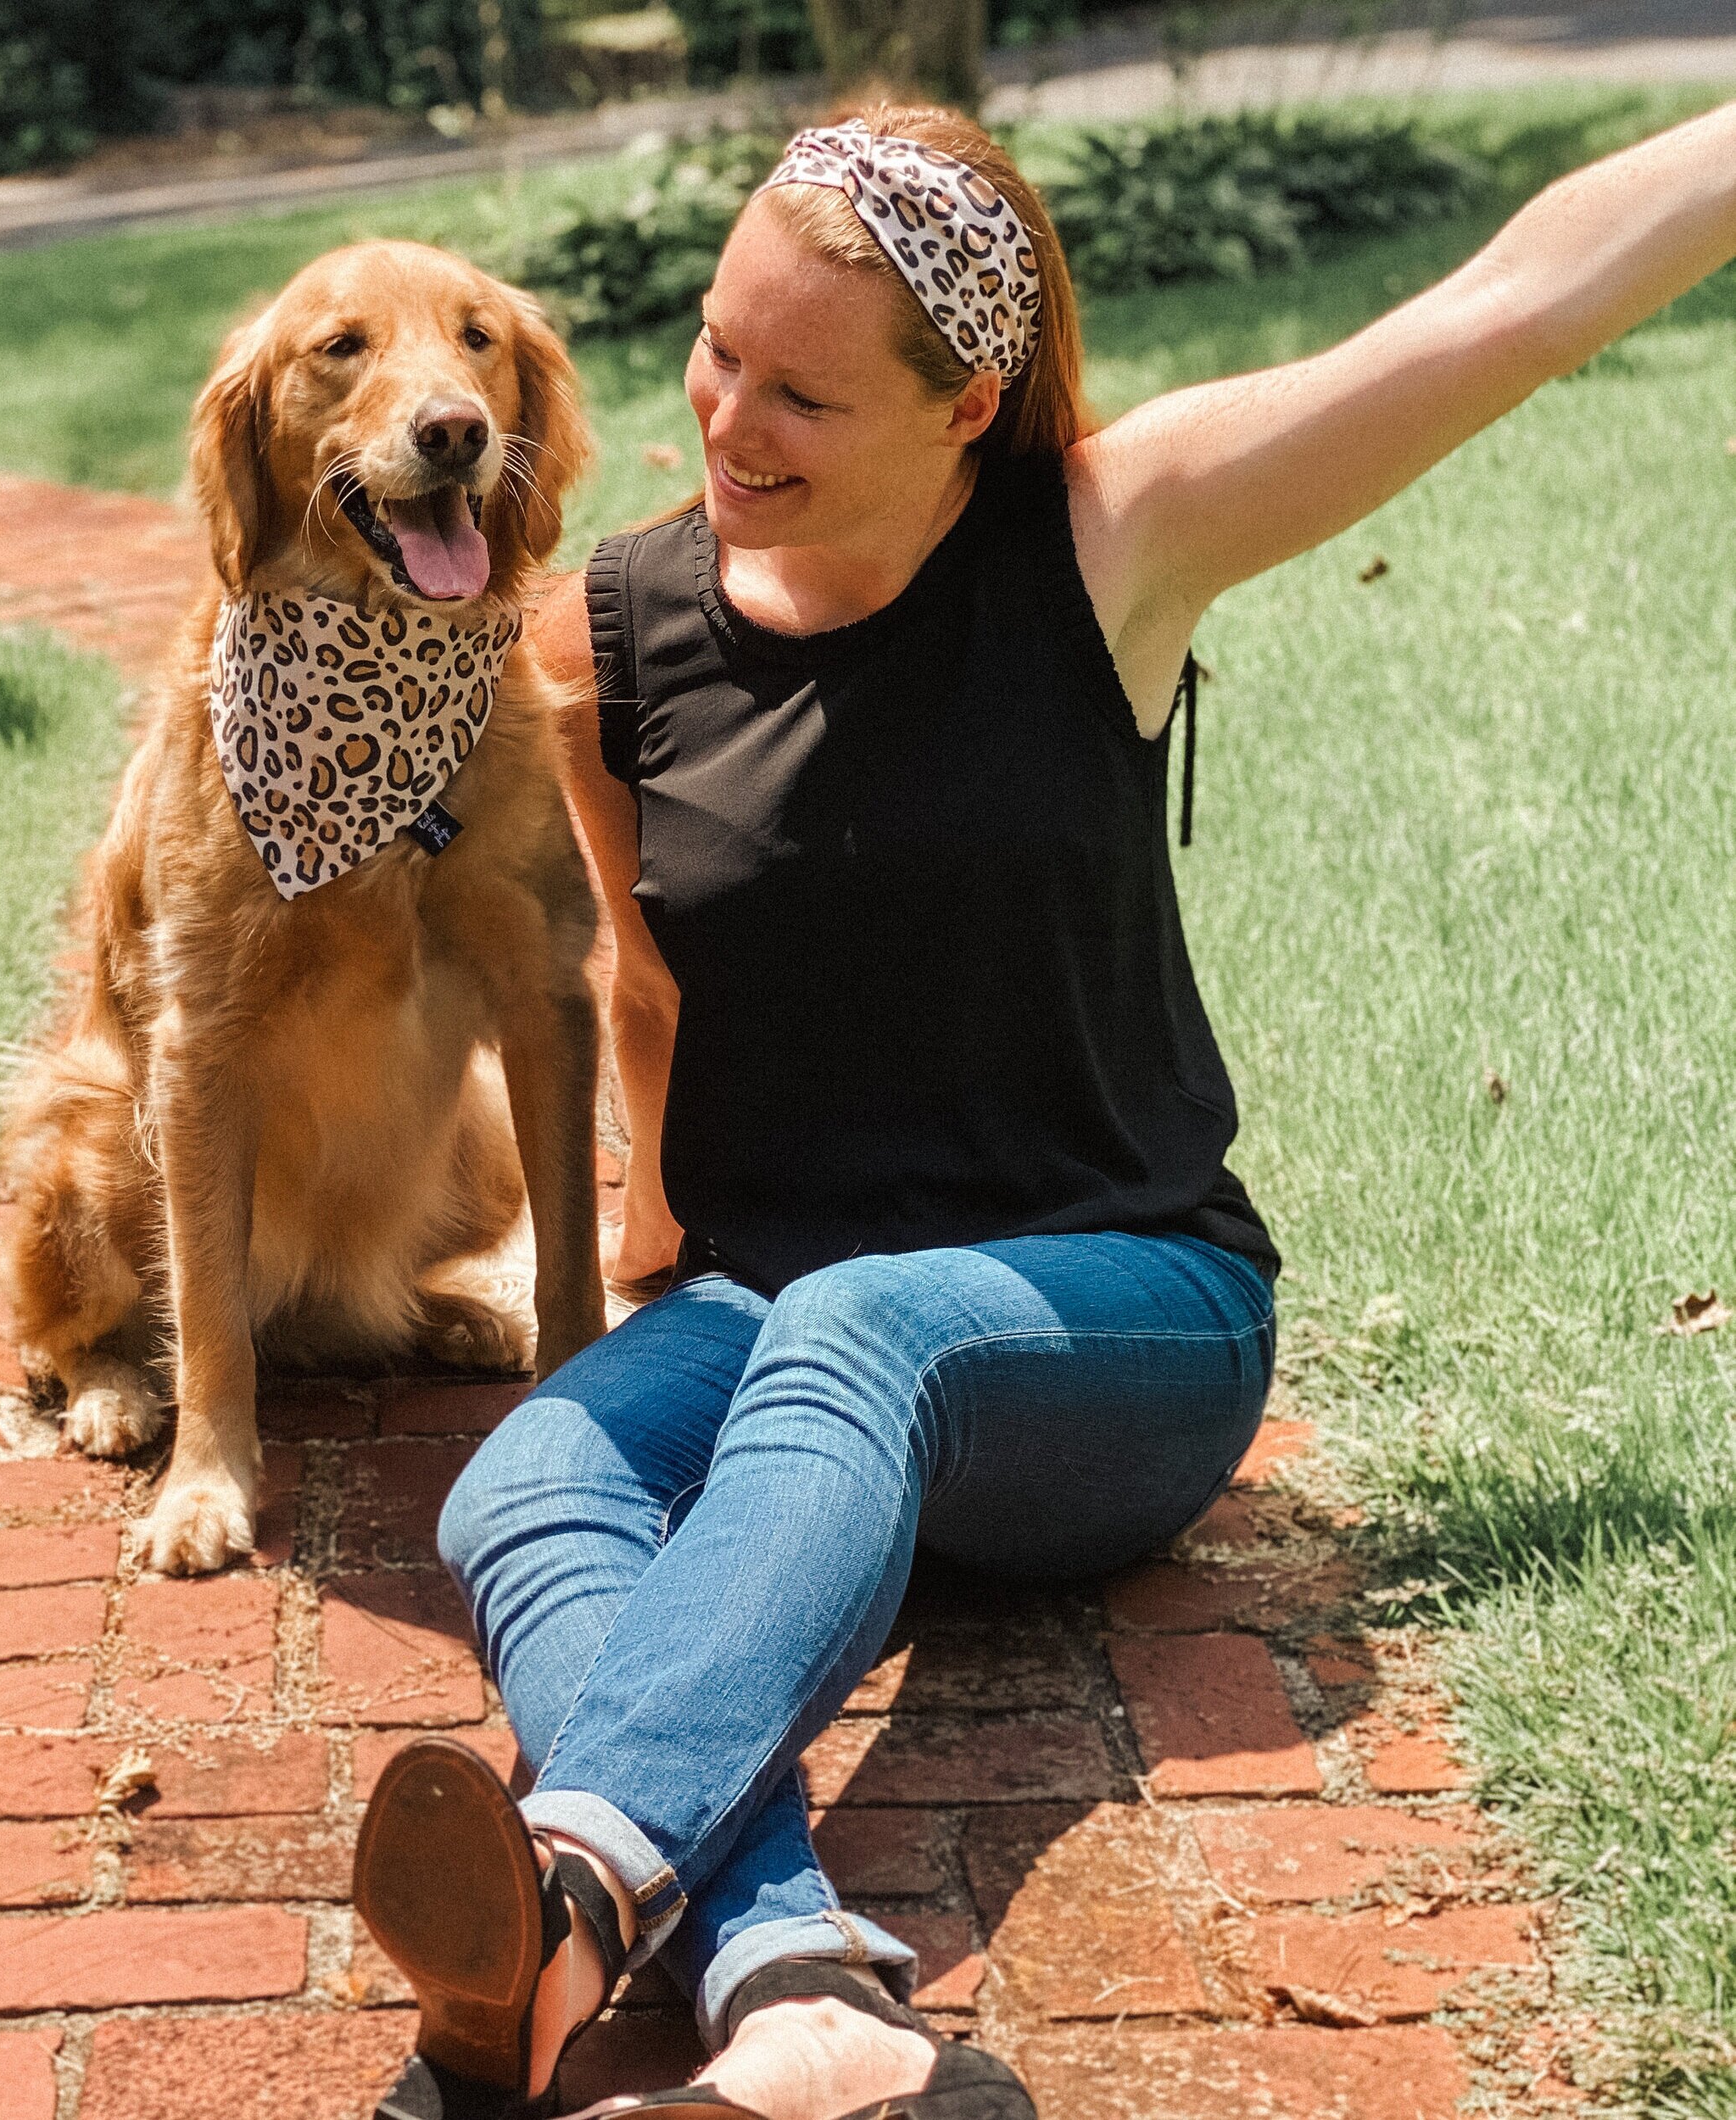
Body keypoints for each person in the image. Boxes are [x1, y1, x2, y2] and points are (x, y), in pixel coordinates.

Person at [349, 97, 1736, 2120]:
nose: (724, 418)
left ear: (964, 402)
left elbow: (1509, 308)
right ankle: (791, 1987)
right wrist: (645, 1237)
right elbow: (646, 973)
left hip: (1122, 1318)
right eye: (715, 348)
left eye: (802, 390)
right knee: (522, 1484)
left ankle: (571, 1872)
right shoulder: (625, 627)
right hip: (781, 1315)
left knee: (854, 1320)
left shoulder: (1109, 540)